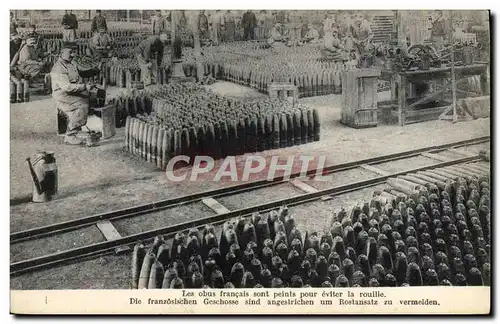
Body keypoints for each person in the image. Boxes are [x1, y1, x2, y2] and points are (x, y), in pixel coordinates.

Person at [50, 42, 95, 145]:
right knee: (83, 105)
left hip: (71, 92)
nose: (73, 55)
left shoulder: (70, 63)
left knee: (91, 97)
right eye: (70, 52)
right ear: (62, 52)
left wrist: (94, 70)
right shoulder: (58, 68)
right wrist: (84, 86)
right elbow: (66, 87)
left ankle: (77, 125)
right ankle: (70, 135)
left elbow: (81, 72)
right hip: (62, 94)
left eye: (74, 52)